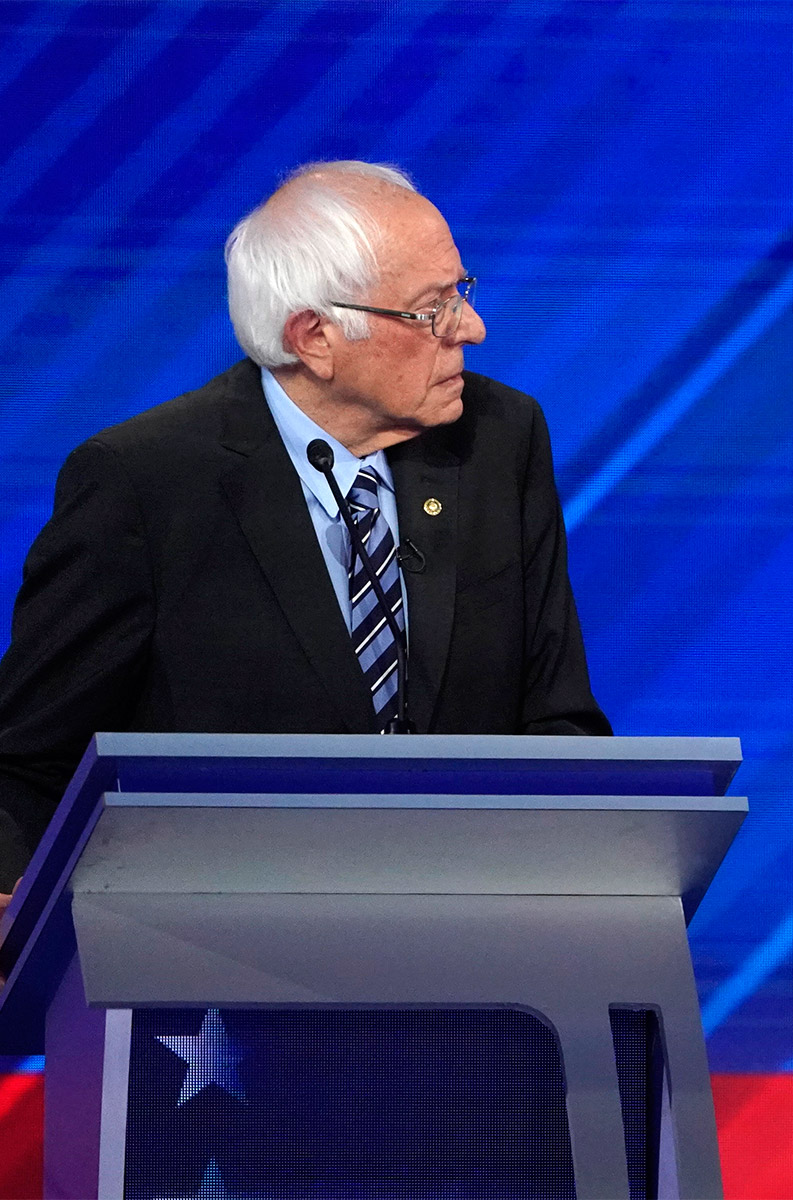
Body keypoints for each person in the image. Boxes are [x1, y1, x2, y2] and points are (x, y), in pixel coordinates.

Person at [0, 161, 609, 880]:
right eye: (432, 310)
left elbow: (559, 719)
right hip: (222, 920)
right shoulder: (144, 484)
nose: (471, 328)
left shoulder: (499, 438)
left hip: (471, 906)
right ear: (314, 336)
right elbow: (28, 759)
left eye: (461, 292)